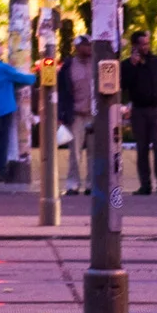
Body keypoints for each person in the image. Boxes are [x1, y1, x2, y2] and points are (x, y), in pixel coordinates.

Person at [122, 28, 157, 195]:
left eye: (147, 43)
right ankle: (145, 184)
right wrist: (133, 65)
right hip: (139, 110)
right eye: (142, 44)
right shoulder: (127, 65)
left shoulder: (155, 61)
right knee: (142, 148)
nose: (146, 47)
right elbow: (124, 85)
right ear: (135, 45)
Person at [0, 39, 37, 183]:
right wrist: (37, 76)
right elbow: (22, 77)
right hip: (5, 106)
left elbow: (8, 81)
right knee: (3, 140)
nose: (2, 48)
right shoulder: (3, 68)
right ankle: (1, 170)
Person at [59, 32, 95, 193]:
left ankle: (91, 184)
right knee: (75, 152)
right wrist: (61, 115)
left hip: (94, 114)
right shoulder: (69, 66)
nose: (89, 48)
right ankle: (73, 184)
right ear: (77, 47)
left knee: (94, 151)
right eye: (86, 45)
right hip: (76, 115)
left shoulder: (97, 64)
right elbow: (61, 92)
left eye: (90, 45)